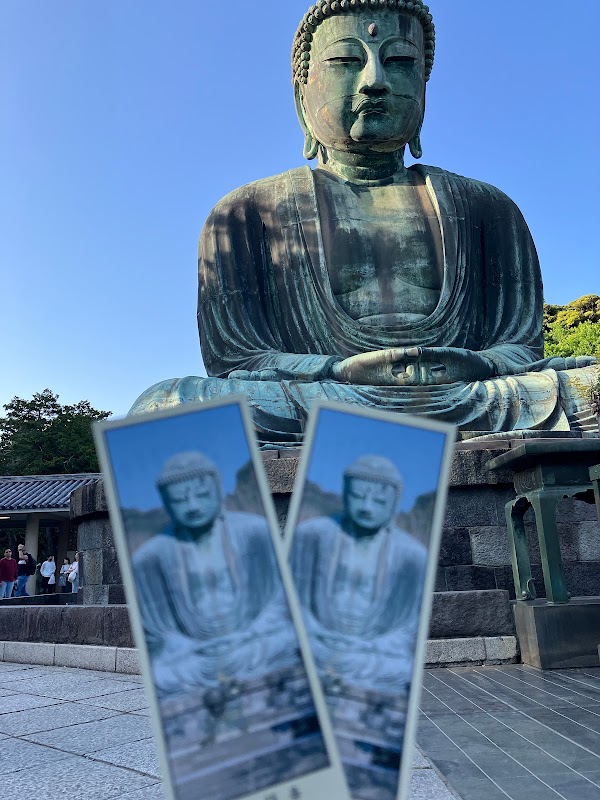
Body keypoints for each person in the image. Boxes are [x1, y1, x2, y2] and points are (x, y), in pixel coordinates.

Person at [129, 0, 597, 445]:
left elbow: (519, 351)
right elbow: (238, 362)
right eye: (346, 62)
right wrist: (337, 371)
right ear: (301, 97)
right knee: (168, 406)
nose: (374, 81)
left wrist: (466, 364)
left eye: (398, 62)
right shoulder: (246, 214)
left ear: (424, 92)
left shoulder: (485, 207)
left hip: (467, 395)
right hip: (326, 396)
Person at [132, 451, 298, 694]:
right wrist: (184, 646)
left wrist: (253, 632)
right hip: (195, 653)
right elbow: (157, 630)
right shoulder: (152, 556)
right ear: (166, 503)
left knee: (285, 642)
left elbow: (281, 599)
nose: (193, 506)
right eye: (180, 500)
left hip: (255, 638)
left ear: (218, 492)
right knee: (167, 672)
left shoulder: (255, 532)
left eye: (202, 495)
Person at [291, 455, 427, 693]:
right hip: (317, 641)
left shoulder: (411, 555)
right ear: (344, 494)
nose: (366, 507)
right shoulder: (312, 535)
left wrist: (369, 646)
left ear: (394, 503)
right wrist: (315, 635)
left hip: (374, 651)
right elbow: (290, 602)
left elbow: (408, 626)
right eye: (357, 496)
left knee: (399, 667)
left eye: (379, 500)